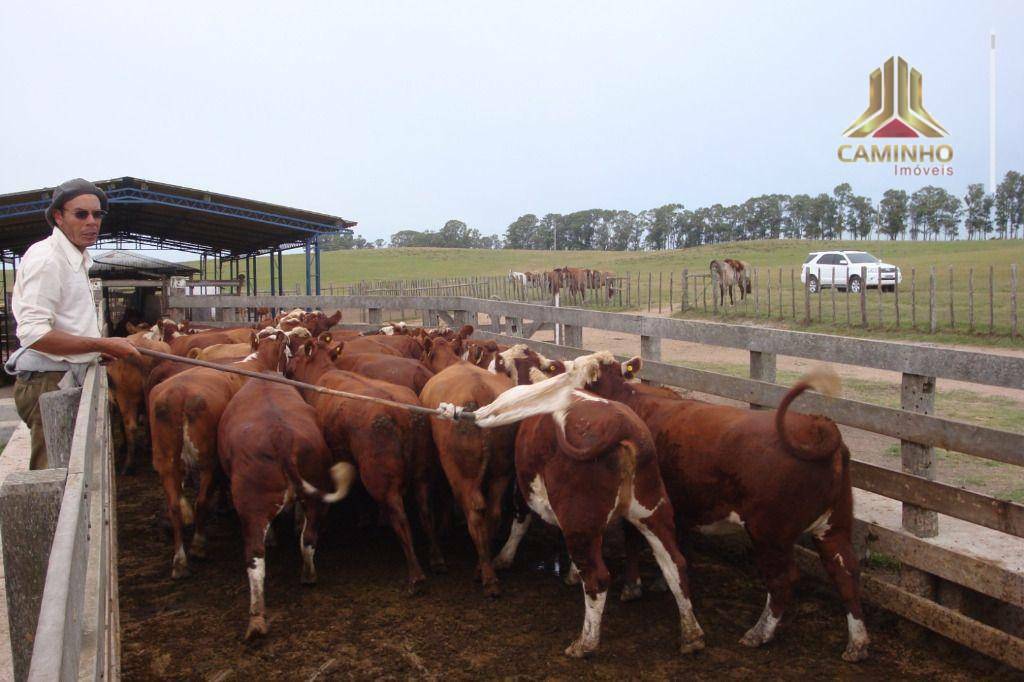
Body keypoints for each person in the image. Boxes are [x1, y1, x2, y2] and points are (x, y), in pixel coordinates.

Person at [5, 178, 139, 469]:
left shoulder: (76, 257)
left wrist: (93, 351)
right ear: (58, 216)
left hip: (60, 374)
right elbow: (34, 333)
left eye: (97, 214)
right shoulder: (48, 260)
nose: (92, 221)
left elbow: (67, 323)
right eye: (81, 214)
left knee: (70, 464)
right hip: (48, 382)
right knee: (55, 473)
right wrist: (100, 344)